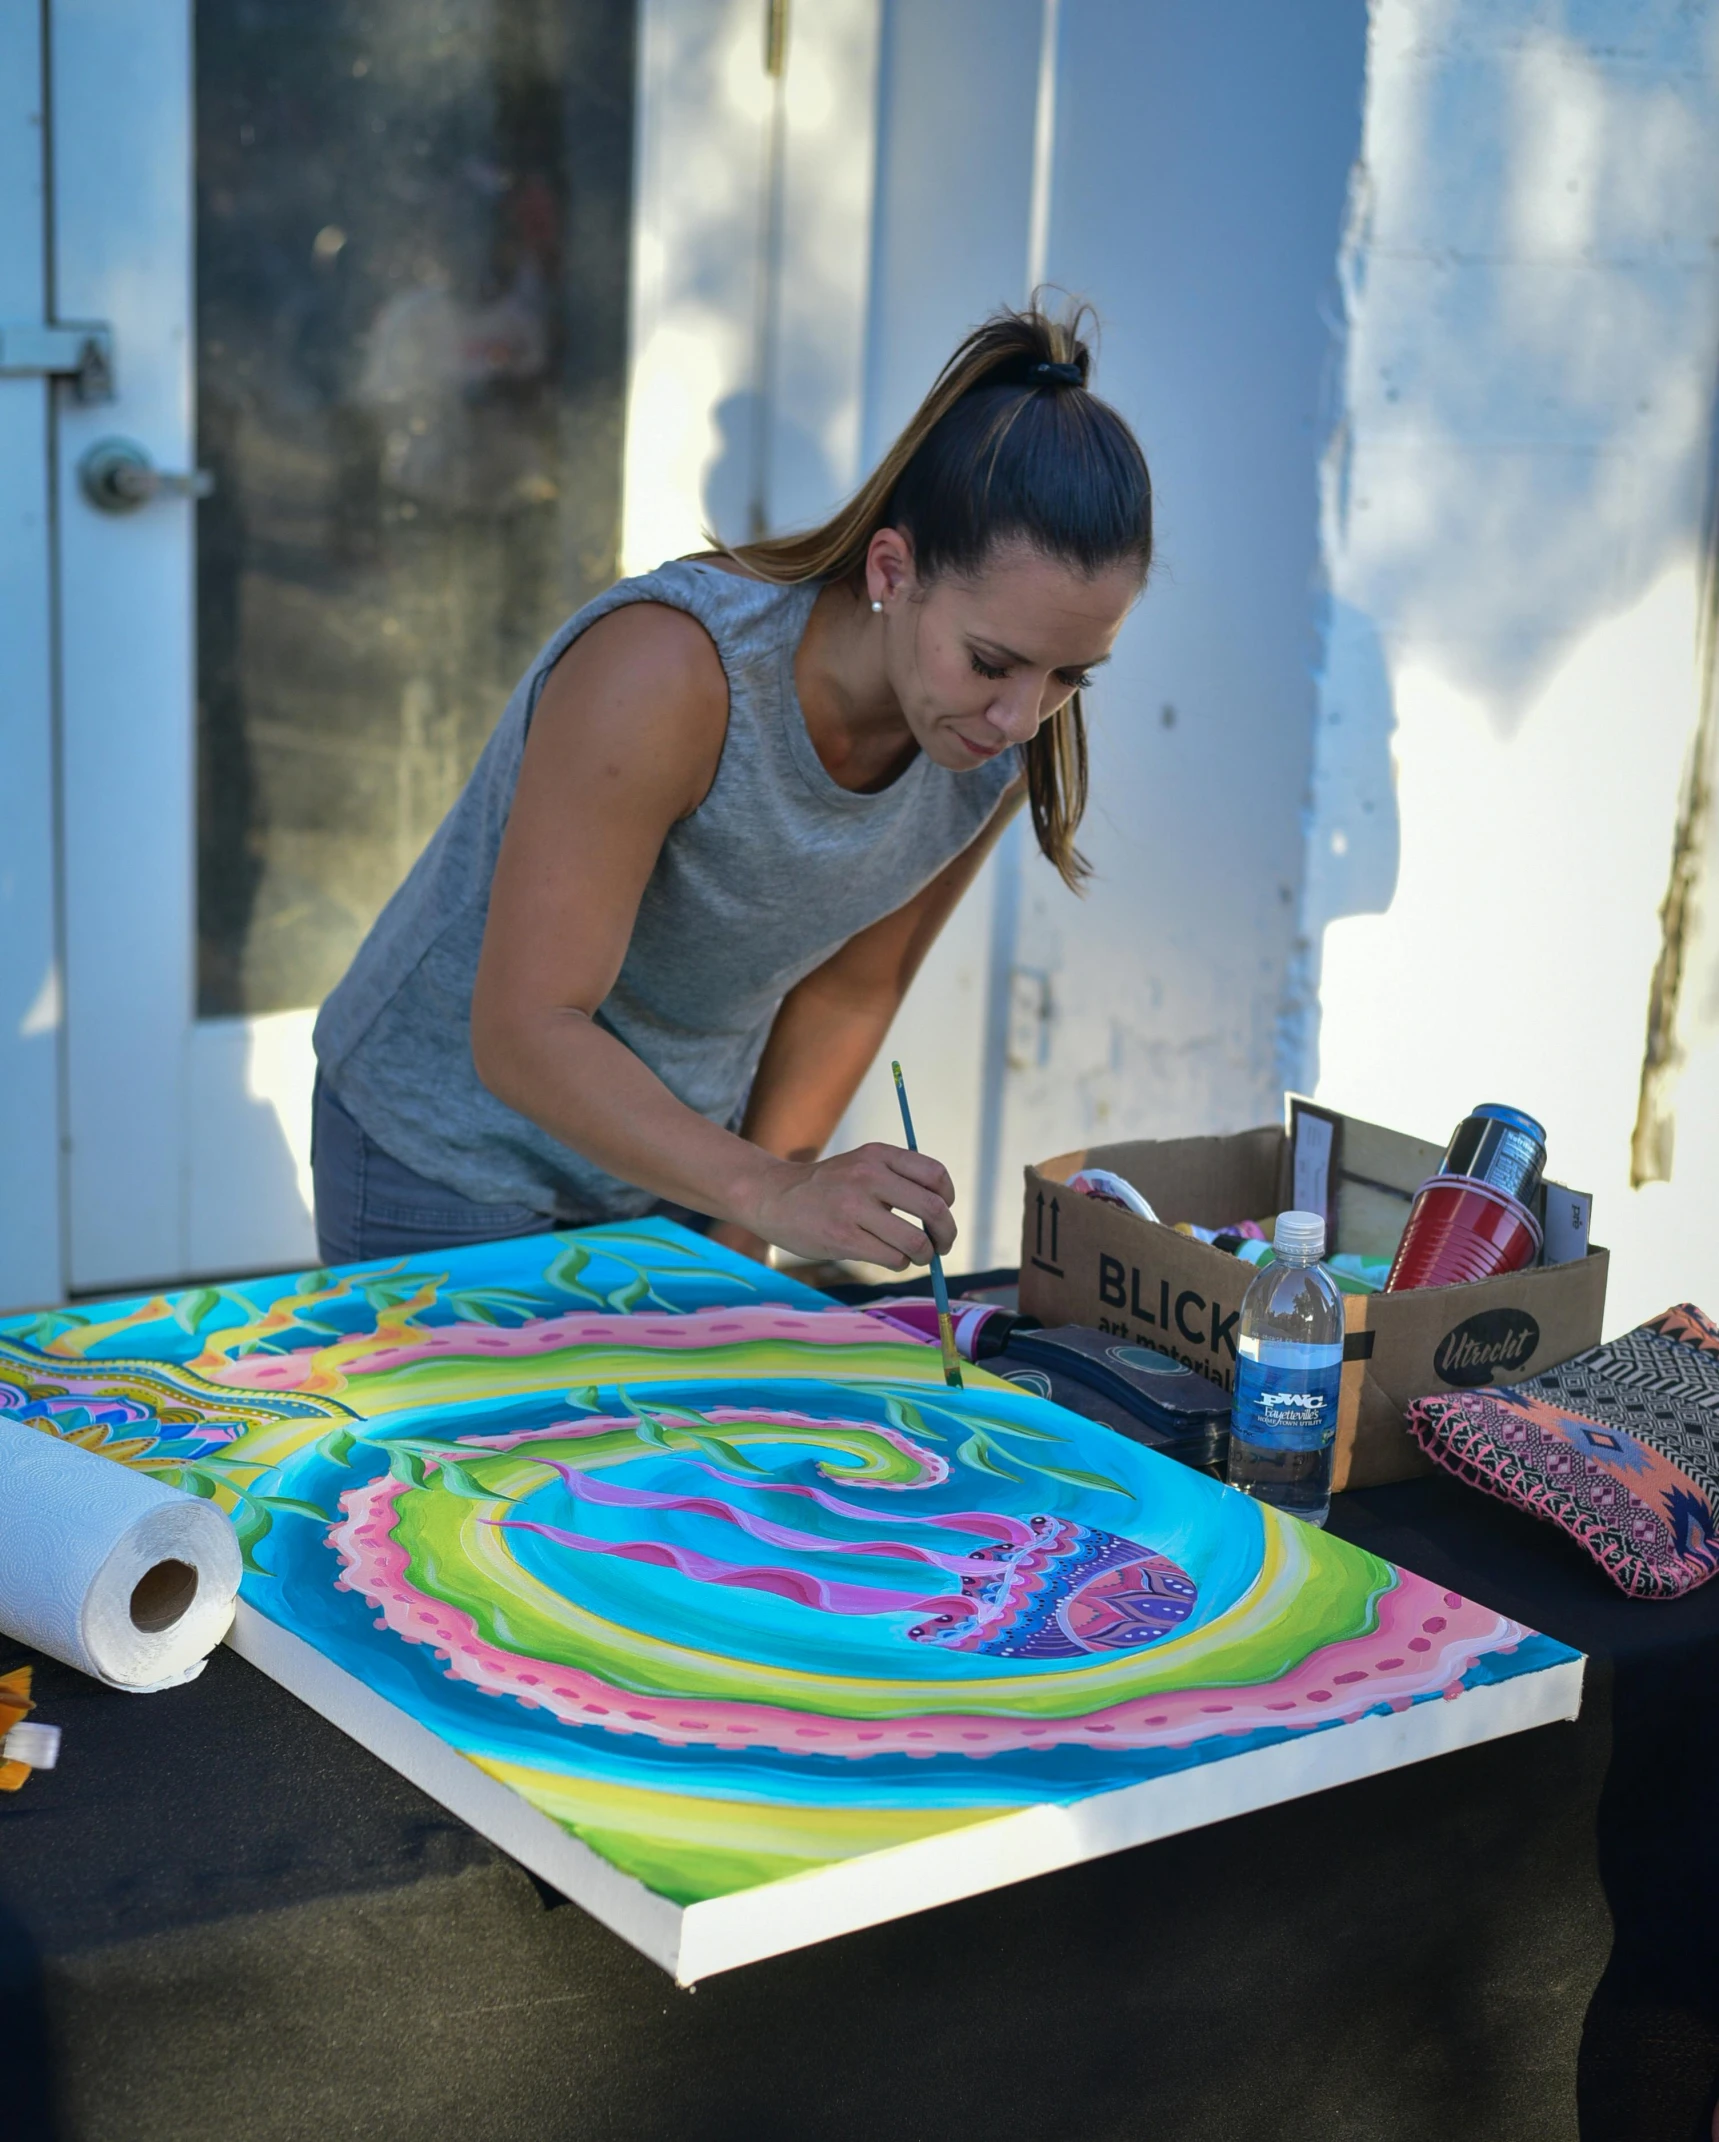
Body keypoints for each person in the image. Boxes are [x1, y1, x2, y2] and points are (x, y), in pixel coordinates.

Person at [310, 302, 1154, 1273]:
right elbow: (524, 1029)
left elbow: (851, 986)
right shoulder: (671, 670)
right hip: (444, 1150)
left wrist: (747, 1234)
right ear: (893, 568)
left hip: (676, 1169)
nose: (1023, 716)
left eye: (1069, 677)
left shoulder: (998, 740)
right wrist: (772, 1188)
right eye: (992, 661)